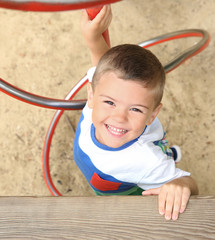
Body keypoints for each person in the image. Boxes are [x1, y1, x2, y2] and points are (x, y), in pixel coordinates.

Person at [73, 5, 198, 221]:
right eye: (110, 102)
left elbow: (190, 183)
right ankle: (169, 152)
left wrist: (179, 185)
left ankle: (168, 156)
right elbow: (102, 66)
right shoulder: (104, 86)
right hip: (103, 172)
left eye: (135, 109)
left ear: (153, 114)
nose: (119, 117)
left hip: (124, 191)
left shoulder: (145, 161)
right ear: (91, 94)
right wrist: (93, 38)